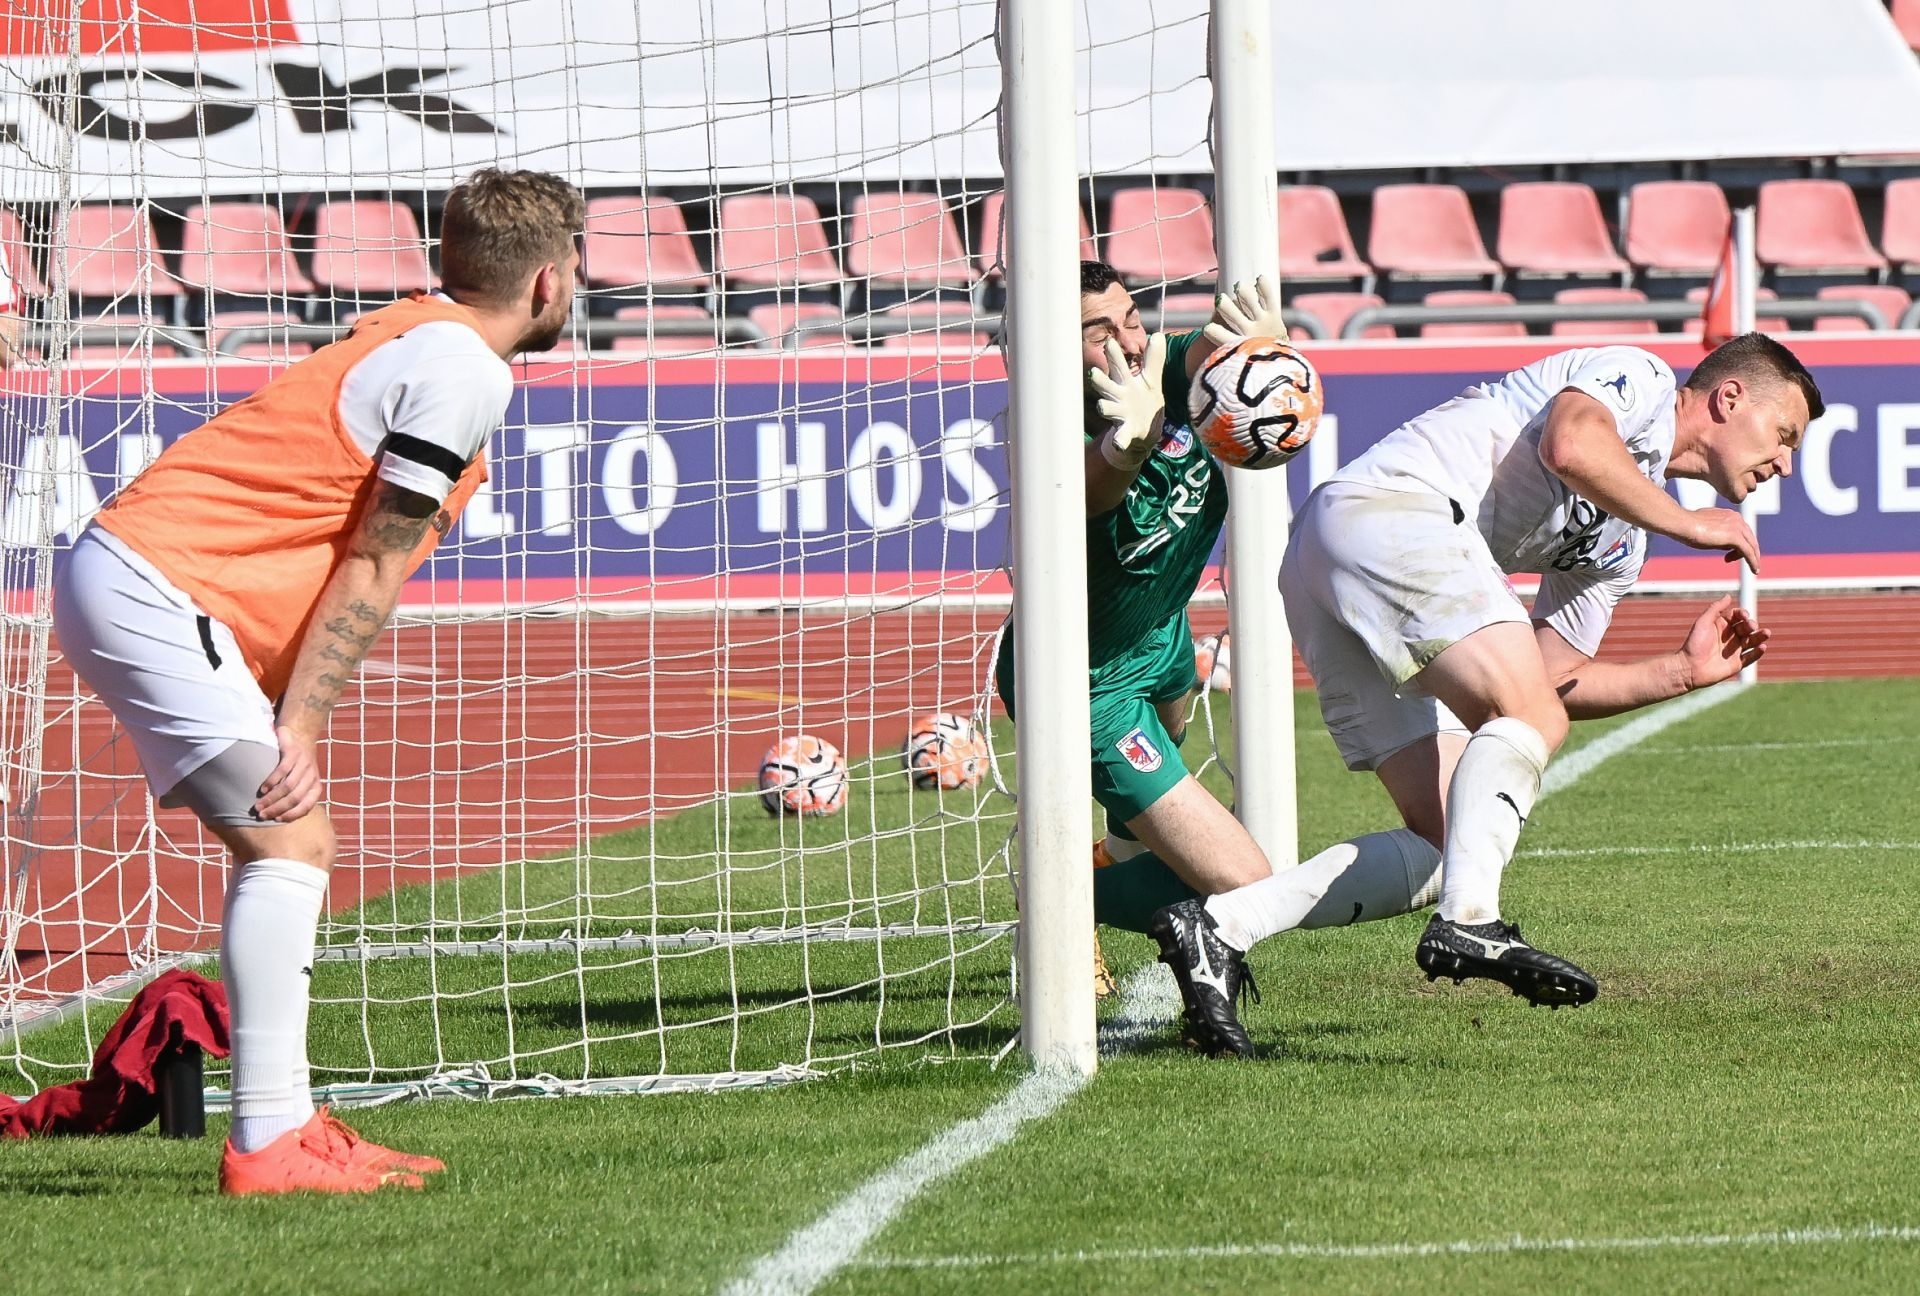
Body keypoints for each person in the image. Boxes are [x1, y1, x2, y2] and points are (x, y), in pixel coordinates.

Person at [52, 167, 584, 1194]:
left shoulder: (418, 327)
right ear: (548, 285)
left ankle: (287, 1122)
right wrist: (302, 723)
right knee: (290, 836)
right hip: (158, 584)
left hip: (141, 574)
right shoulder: (469, 371)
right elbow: (374, 561)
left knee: (295, 838)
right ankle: (268, 1145)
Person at [1243, 333, 1821, 1006]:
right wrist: (1691, 524)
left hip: (1330, 557)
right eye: (1784, 435)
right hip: (1390, 508)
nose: (1784, 463)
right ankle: (1470, 925)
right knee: (1521, 730)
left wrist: (1679, 672)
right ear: (1729, 398)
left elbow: (1545, 678)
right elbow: (1571, 445)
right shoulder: (1642, 377)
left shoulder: (1624, 540)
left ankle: (1219, 927)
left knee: (1445, 840)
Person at [996, 263, 1309, 1058]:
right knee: (1245, 884)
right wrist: (1126, 446)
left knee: (1140, 832)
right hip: (1086, 684)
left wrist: (1256, 352)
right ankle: (1059, 897)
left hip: (1163, 643)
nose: (1128, 338)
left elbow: (1208, 350)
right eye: (1099, 332)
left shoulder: (1155, 363)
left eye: (1130, 316)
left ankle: (1102, 864)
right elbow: (1096, 489)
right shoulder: (1047, 431)